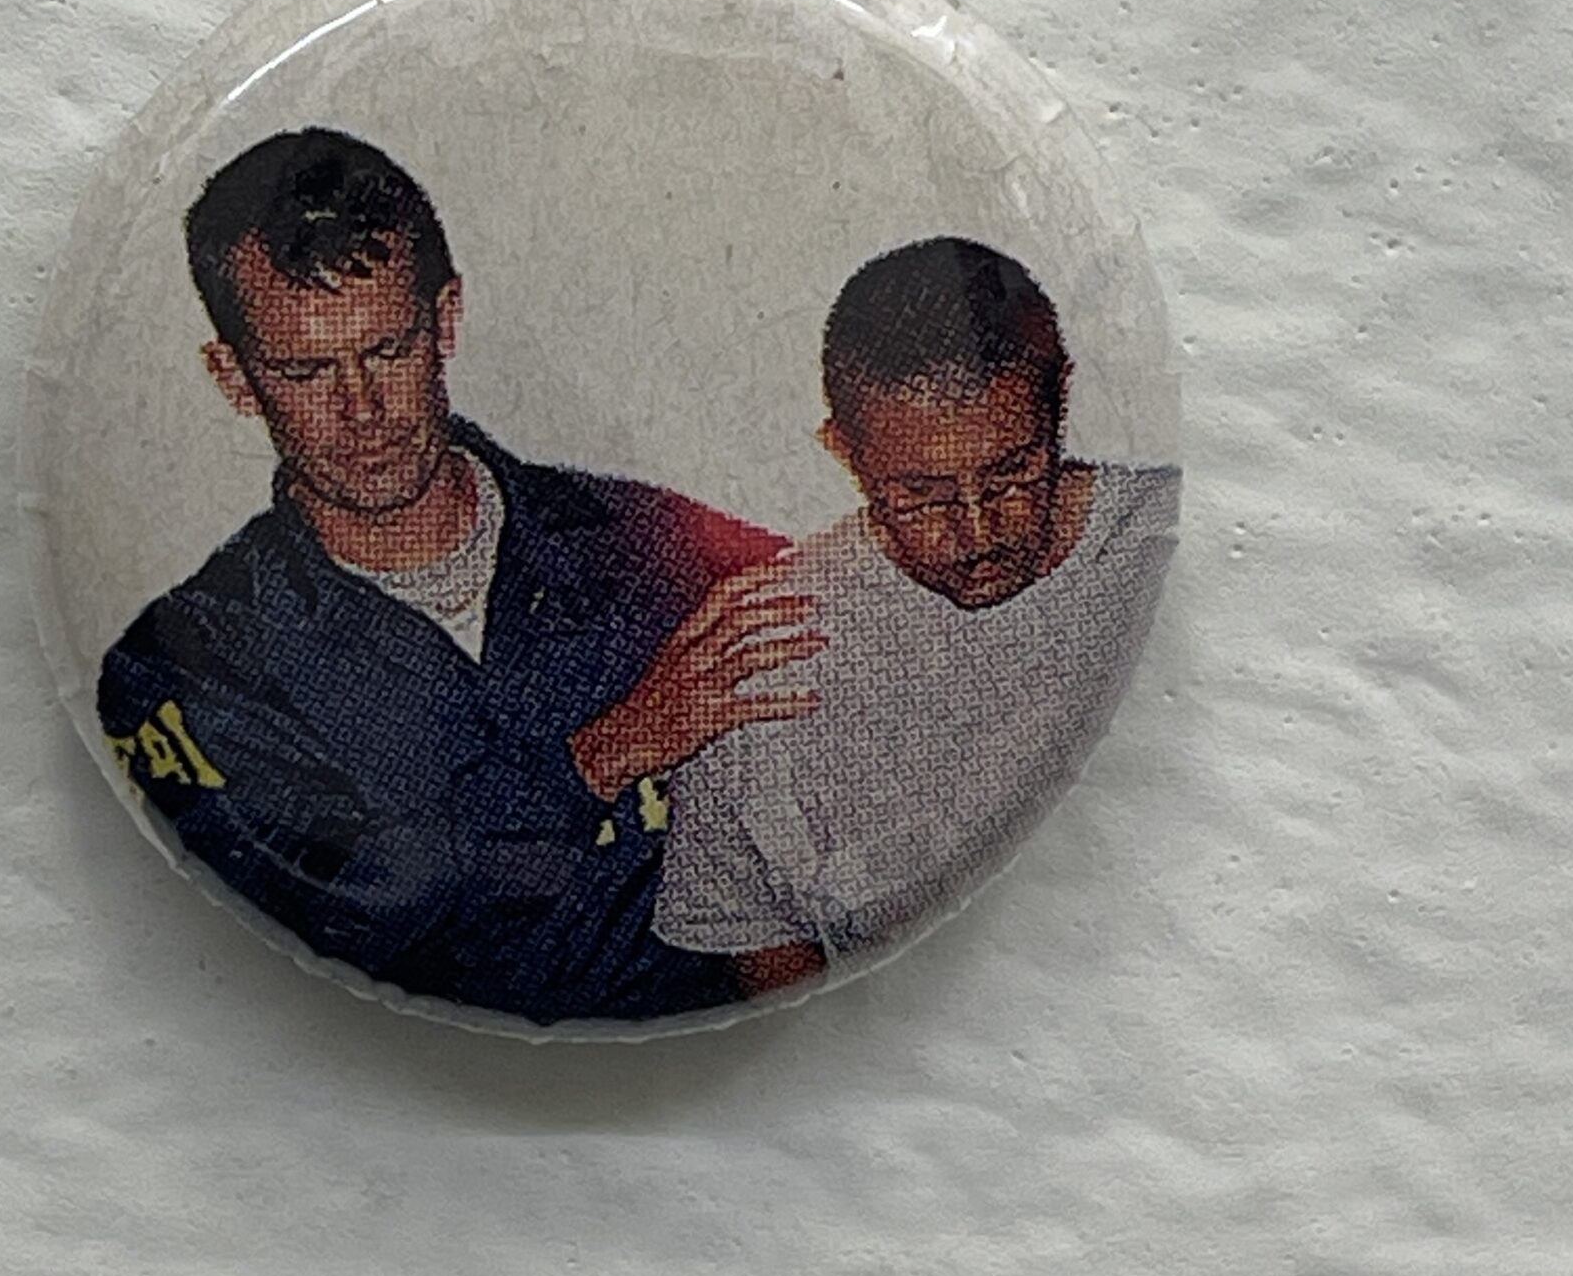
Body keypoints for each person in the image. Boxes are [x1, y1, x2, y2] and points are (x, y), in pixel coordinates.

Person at [98, 127, 824, 1024]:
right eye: (306, 370)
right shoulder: (182, 667)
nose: (361, 409)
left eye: (387, 350)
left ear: (445, 321)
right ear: (235, 378)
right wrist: (611, 753)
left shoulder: (653, 548)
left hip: (739, 1072)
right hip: (387, 1092)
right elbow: (356, 917)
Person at [653, 237, 1179, 981]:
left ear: (1060, 402)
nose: (978, 532)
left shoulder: (1165, 550)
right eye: (922, 497)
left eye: (1012, 475)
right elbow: (770, 968)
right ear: (843, 451)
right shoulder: (762, 651)